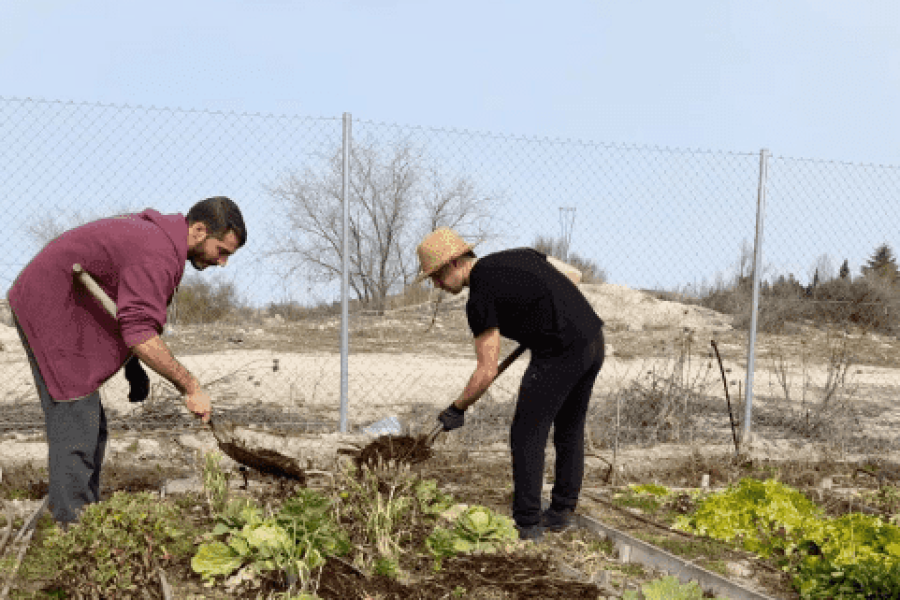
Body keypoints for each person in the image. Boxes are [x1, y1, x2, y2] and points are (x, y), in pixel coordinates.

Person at [6, 196, 246, 529]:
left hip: (67, 301)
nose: (223, 262)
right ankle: (72, 527)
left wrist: (134, 368)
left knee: (92, 425)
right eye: (221, 251)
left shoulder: (161, 240)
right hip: (51, 302)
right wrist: (191, 386)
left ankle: (85, 517)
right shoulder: (157, 250)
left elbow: (123, 309)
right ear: (199, 230)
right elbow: (139, 331)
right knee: (76, 419)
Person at [415, 227, 604, 541]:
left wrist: (457, 408)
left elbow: (486, 370)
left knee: (526, 433)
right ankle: (561, 512)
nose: (435, 284)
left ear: (454, 263)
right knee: (569, 428)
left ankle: (527, 523)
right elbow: (573, 276)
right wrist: (540, 313)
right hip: (592, 340)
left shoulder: (480, 296)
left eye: (436, 276)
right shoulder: (520, 255)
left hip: (559, 352)